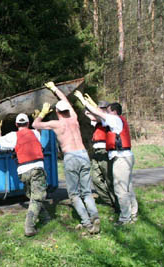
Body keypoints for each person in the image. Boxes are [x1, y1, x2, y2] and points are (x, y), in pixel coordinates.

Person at [32, 82, 100, 234]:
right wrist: (55, 88)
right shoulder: (74, 118)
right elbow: (67, 103)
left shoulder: (56, 124)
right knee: (87, 192)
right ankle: (95, 216)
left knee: (74, 194)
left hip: (70, 156)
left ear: (57, 111)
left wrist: (42, 113)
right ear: (67, 110)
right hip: (83, 154)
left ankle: (87, 223)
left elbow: (35, 124)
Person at [74, 91, 138, 225]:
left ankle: (125, 218)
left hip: (121, 159)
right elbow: (96, 117)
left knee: (120, 189)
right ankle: (133, 214)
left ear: (113, 111)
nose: (106, 113)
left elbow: (99, 114)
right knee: (128, 188)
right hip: (125, 157)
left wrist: (83, 101)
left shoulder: (114, 119)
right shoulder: (117, 120)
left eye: (108, 111)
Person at [0, 113, 50, 237]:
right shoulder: (35, 133)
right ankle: (29, 226)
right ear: (28, 124)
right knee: (37, 196)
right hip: (37, 169)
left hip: (23, 171)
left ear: (16, 124)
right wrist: (39, 117)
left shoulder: (13, 136)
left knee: (32, 195)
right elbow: (38, 130)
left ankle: (45, 217)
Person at [84, 99, 117, 209]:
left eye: (103, 109)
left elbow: (97, 117)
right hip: (97, 151)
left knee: (109, 179)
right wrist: (87, 107)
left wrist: (89, 106)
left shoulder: (109, 119)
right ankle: (110, 201)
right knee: (95, 179)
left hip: (105, 151)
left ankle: (116, 204)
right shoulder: (99, 121)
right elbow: (91, 116)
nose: (100, 110)